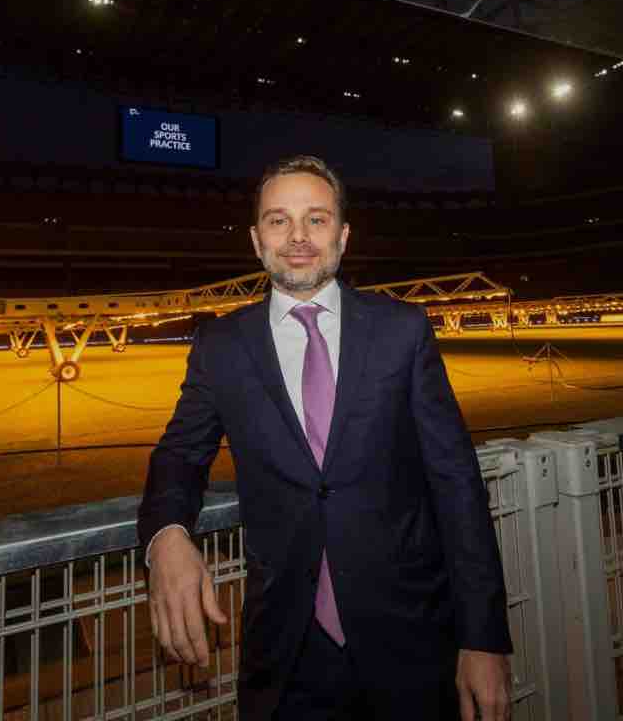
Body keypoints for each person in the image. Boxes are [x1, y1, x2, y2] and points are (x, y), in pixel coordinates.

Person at [138, 155, 512, 721]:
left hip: (412, 641)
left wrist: (482, 637)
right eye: (278, 220)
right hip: (287, 655)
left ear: (343, 235)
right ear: (256, 240)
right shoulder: (221, 346)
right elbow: (179, 454)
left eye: (316, 219)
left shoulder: (402, 330)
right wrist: (167, 536)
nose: (298, 237)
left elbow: (457, 485)